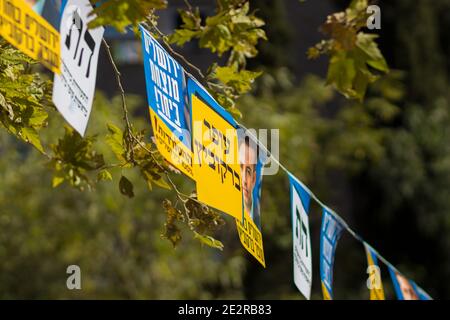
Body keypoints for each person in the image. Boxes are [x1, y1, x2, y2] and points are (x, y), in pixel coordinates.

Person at [239, 135, 261, 230]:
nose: (244, 180)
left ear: (253, 179)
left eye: (248, 171)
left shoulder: (256, 217)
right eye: (239, 167)